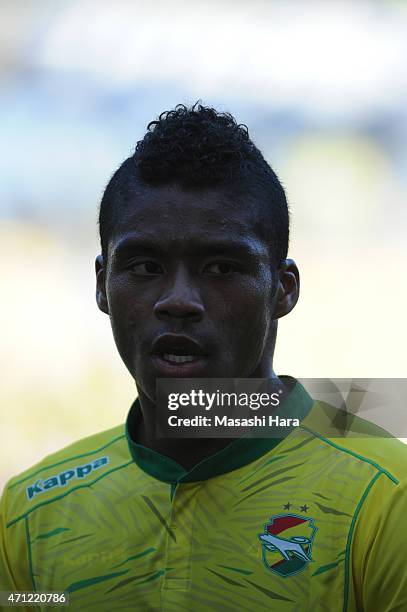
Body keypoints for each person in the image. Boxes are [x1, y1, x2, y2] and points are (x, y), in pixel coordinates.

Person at [0, 104, 406, 611]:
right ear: (103, 284)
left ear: (283, 290)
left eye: (220, 267)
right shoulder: (32, 510)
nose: (178, 300)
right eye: (146, 266)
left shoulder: (388, 495)